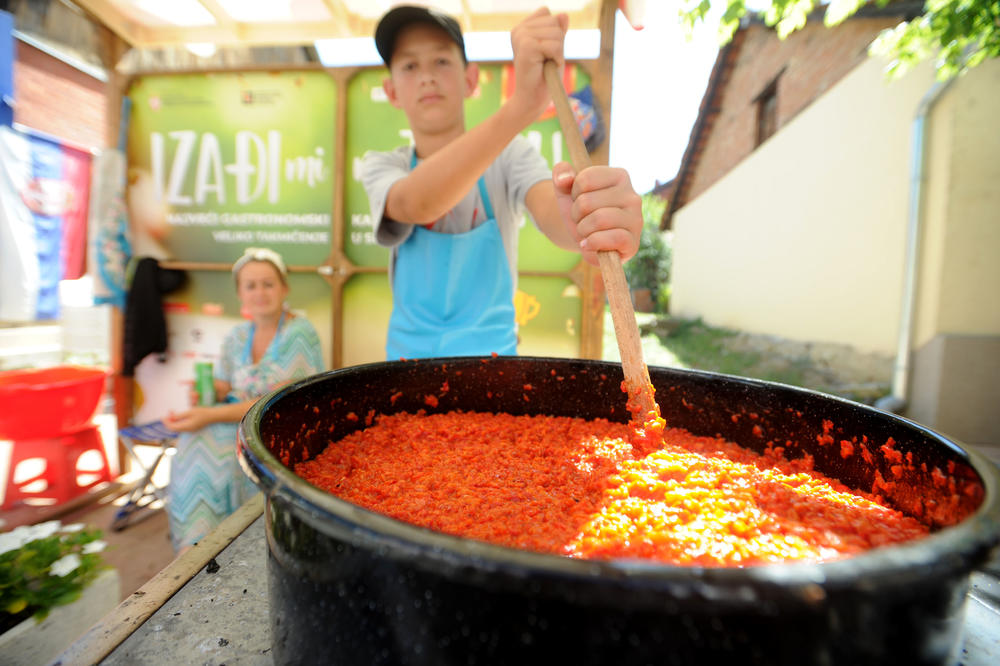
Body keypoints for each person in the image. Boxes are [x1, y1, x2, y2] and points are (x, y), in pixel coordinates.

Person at [362, 5, 642, 360]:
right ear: (391, 91)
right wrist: (522, 107)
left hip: (494, 368)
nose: (427, 77)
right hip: (405, 369)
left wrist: (593, 219)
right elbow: (414, 204)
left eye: (442, 61)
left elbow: (557, 214)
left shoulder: (511, 155)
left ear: (471, 80)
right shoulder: (383, 166)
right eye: (410, 66)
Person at [163, 247, 324, 552]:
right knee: (193, 442)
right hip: (234, 418)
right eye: (251, 285)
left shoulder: (300, 332)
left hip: (277, 425)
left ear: (284, 288)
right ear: (240, 293)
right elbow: (226, 383)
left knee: (213, 448)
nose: (260, 292)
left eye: (268, 283)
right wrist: (209, 393)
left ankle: (227, 544)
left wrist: (209, 414)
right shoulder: (237, 335)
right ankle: (197, 547)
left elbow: (281, 401)